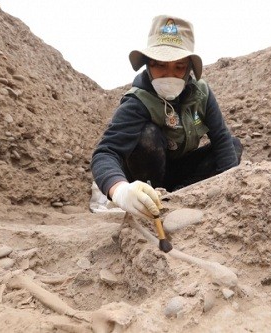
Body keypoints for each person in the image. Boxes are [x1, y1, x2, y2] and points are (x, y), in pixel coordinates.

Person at [91, 15, 242, 220]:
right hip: (146, 177)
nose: (168, 74)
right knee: (147, 135)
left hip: (180, 171)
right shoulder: (137, 101)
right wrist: (120, 190)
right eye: (159, 65)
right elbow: (106, 152)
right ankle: (151, 199)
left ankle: (181, 197)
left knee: (232, 146)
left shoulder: (202, 94)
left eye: (178, 67)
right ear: (147, 65)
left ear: (189, 68)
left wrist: (231, 191)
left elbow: (221, 139)